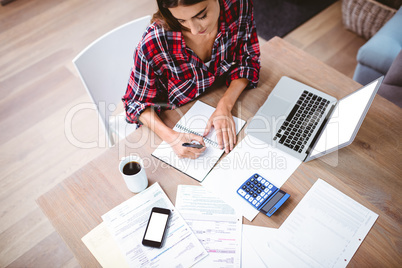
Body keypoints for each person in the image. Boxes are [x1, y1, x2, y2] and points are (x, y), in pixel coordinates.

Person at [123, 0, 260, 159]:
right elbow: (134, 103)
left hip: (218, 95)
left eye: (201, 16)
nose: (194, 30)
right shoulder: (156, 41)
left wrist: (225, 105)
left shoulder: (239, 6)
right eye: (181, 20)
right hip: (171, 120)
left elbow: (249, 59)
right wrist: (171, 137)